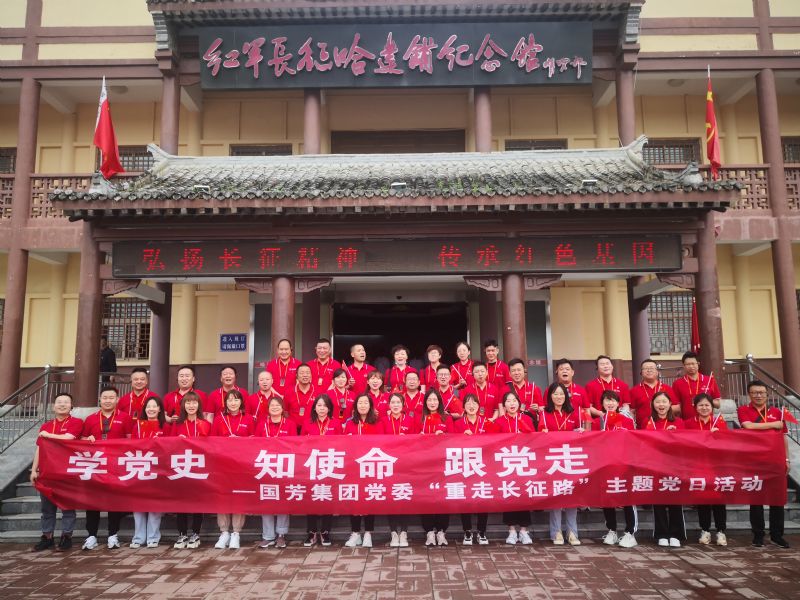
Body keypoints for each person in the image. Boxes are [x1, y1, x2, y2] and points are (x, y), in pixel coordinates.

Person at [737, 379, 790, 548]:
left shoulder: (777, 412)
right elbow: (748, 426)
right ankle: (758, 535)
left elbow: (783, 437)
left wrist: (786, 459)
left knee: (777, 499)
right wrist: (774, 424)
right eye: (754, 393)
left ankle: (777, 535)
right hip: (753, 460)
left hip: (775, 460)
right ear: (749, 395)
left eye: (761, 392)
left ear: (767, 394)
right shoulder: (743, 410)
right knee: (756, 498)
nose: (758, 395)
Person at [80, 386, 131, 551]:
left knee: (114, 501)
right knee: (92, 501)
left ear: (117, 400)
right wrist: (87, 439)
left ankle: (113, 535)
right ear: (99, 399)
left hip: (116, 466)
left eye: (111, 398)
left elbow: (131, 440)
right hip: (95, 465)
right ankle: (91, 536)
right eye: (105, 397)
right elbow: (81, 440)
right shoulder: (90, 419)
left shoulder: (125, 417)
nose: (108, 400)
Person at [31, 392, 83, 552]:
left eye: (66, 402)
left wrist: (48, 436)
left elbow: (69, 437)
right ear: (53, 406)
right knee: (47, 509)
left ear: (71, 406)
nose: (62, 404)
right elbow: (39, 449)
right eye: (59, 402)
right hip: (47, 473)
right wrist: (34, 469)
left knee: (68, 507)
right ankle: (47, 537)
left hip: (67, 473)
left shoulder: (76, 422)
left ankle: (66, 536)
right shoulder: (46, 426)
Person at [593, 390, 638, 549]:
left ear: (618, 403)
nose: (610, 403)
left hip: (624, 464)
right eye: (607, 400)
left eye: (613, 400)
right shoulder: (597, 421)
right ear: (602, 403)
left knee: (628, 498)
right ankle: (611, 530)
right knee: (607, 498)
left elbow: (634, 441)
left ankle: (630, 532)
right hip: (605, 465)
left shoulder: (627, 420)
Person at [540, 383, 583, 546]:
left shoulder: (573, 412)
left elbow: (580, 431)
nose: (559, 397)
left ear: (566, 396)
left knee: (572, 495)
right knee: (556, 495)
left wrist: (580, 432)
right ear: (550, 396)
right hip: (553, 460)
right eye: (555, 394)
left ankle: (572, 532)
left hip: (571, 459)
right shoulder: (544, 413)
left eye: (562, 394)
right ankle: (556, 531)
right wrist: (543, 433)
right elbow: (540, 433)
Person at [683, 393, 728, 546]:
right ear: (695, 407)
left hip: (717, 466)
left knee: (719, 499)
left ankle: (721, 531)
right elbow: (684, 442)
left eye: (707, 405)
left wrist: (718, 436)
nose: (704, 408)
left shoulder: (719, 422)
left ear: (712, 407)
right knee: (703, 499)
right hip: (698, 466)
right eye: (700, 405)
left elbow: (727, 442)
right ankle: (705, 530)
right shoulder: (688, 423)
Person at [211, 389, 254, 550]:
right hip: (222, 465)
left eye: (236, 400)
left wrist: (240, 441)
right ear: (225, 403)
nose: (233, 403)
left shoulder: (248, 419)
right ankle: (224, 532)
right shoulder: (219, 419)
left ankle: (236, 533)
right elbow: (212, 441)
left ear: (241, 402)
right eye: (229, 400)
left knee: (238, 497)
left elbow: (255, 440)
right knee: (222, 497)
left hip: (241, 465)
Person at [452, 393, 495, 545]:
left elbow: (494, 442)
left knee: (482, 496)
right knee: (465, 498)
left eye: (474, 403)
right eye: (468, 403)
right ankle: (467, 531)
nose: (471, 406)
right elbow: (451, 444)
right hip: (464, 466)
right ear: (463, 406)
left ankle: (482, 531)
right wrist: (461, 437)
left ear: (479, 406)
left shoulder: (486, 422)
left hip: (482, 466)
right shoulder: (458, 424)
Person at [646, 391, 686, 548]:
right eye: (657, 402)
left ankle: (676, 534)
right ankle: (661, 534)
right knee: (658, 501)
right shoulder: (648, 422)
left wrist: (675, 435)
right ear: (653, 405)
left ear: (670, 404)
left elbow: (685, 443)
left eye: (664, 402)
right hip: (655, 465)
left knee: (675, 500)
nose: (661, 405)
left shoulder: (679, 422)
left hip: (674, 466)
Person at [171, 391, 210, 549]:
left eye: (194, 402)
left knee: (197, 502)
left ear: (199, 405)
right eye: (188, 403)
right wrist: (177, 441)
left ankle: (195, 533)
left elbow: (211, 445)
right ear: (183, 406)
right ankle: (182, 534)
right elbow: (169, 445)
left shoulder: (204, 423)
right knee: (181, 502)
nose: (191, 405)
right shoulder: (178, 424)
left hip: (199, 467)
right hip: (181, 468)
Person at [496, 390, 536, 545]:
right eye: (508, 401)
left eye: (514, 401)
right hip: (506, 465)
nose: (511, 404)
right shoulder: (499, 422)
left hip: (524, 464)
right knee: (509, 494)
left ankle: (524, 531)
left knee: (524, 496)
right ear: (504, 405)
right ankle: (511, 530)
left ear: (519, 403)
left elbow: (534, 439)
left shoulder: (526, 419)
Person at [344, 394, 384, 547]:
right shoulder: (350, 423)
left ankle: (368, 533)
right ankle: (355, 533)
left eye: (365, 403)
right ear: (355, 406)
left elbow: (382, 443)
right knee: (354, 499)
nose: (362, 405)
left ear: (371, 406)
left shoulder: (377, 422)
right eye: (360, 403)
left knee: (369, 499)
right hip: (353, 467)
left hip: (370, 467)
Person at [254, 396, 294, 549]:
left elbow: (295, 445)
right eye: (272, 405)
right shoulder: (262, 425)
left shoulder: (290, 424)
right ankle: (268, 536)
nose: (275, 407)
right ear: (268, 409)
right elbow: (255, 444)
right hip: (266, 466)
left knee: (283, 500)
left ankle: (281, 534)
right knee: (267, 499)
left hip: (284, 466)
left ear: (282, 408)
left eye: (278, 405)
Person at [301, 394, 340, 546]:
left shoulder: (335, 423)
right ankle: (311, 532)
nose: (322, 408)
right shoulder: (307, 423)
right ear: (314, 408)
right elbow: (300, 444)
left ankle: (325, 531)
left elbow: (342, 443)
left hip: (330, 465)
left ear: (329, 408)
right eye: (319, 405)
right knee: (311, 497)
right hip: (311, 465)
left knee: (327, 497)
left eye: (325, 406)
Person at [129, 396, 168, 549]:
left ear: (159, 409)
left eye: (154, 406)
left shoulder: (165, 426)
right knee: (138, 504)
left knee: (155, 505)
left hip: (158, 468)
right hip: (140, 467)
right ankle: (138, 537)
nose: (151, 409)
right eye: (148, 406)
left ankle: (153, 537)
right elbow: (131, 445)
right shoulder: (137, 426)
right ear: (144, 410)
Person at [383, 393, 414, 546]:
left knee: (404, 497)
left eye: (398, 402)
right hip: (389, 465)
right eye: (393, 402)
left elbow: (416, 441)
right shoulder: (383, 420)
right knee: (391, 499)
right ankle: (394, 532)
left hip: (406, 464)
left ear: (403, 405)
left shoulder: (410, 420)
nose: (395, 405)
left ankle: (404, 532)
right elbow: (378, 441)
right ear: (389, 405)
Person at [420, 389, 450, 545]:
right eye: (429, 400)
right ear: (425, 402)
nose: (432, 402)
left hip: (442, 465)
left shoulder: (446, 418)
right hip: (423, 465)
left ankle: (441, 531)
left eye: (435, 400)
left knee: (443, 498)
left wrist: (443, 437)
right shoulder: (419, 418)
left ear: (439, 402)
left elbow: (454, 439)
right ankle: (429, 532)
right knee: (426, 498)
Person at [672, 351, 721, 419]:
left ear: (698, 364)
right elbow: (676, 406)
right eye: (688, 364)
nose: (691, 366)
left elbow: (718, 404)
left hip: (707, 421)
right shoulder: (677, 383)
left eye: (693, 363)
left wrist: (705, 400)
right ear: (684, 366)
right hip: (687, 422)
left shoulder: (709, 380)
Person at [629, 359, 676, 429]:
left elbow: (676, 407)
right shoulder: (634, 390)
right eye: (646, 368)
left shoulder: (667, 388)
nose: (649, 370)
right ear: (641, 372)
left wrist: (661, 408)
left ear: (657, 372)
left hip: (665, 428)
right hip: (642, 429)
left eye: (652, 368)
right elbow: (631, 411)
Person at [285, 363, 316, 430]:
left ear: (311, 375)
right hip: (293, 429)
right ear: (296, 375)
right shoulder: (289, 392)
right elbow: (285, 411)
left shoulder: (318, 392)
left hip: (312, 428)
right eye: (302, 373)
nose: (305, 375)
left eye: (307, 373)